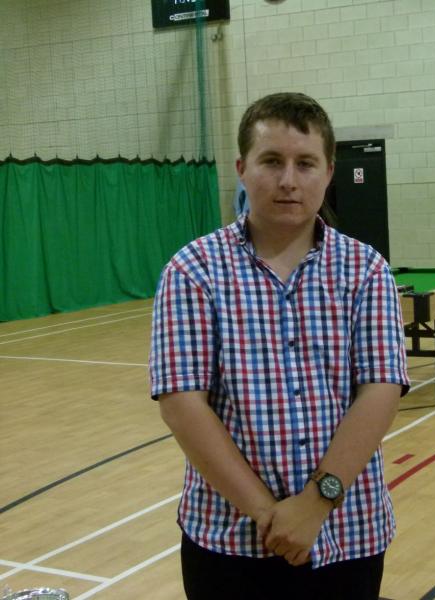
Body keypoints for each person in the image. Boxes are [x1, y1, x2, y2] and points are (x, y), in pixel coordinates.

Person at [149, 92, 409, 599]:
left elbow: (380, 392)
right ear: (243, 168)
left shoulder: (366, 270)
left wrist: (315, 504)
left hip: (346, 535)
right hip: (227, 543)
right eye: (272, 161)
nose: (289, 180)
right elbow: (183, 405)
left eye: (305, 163)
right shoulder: (192, 271)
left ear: (329, 172)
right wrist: (271, 517)